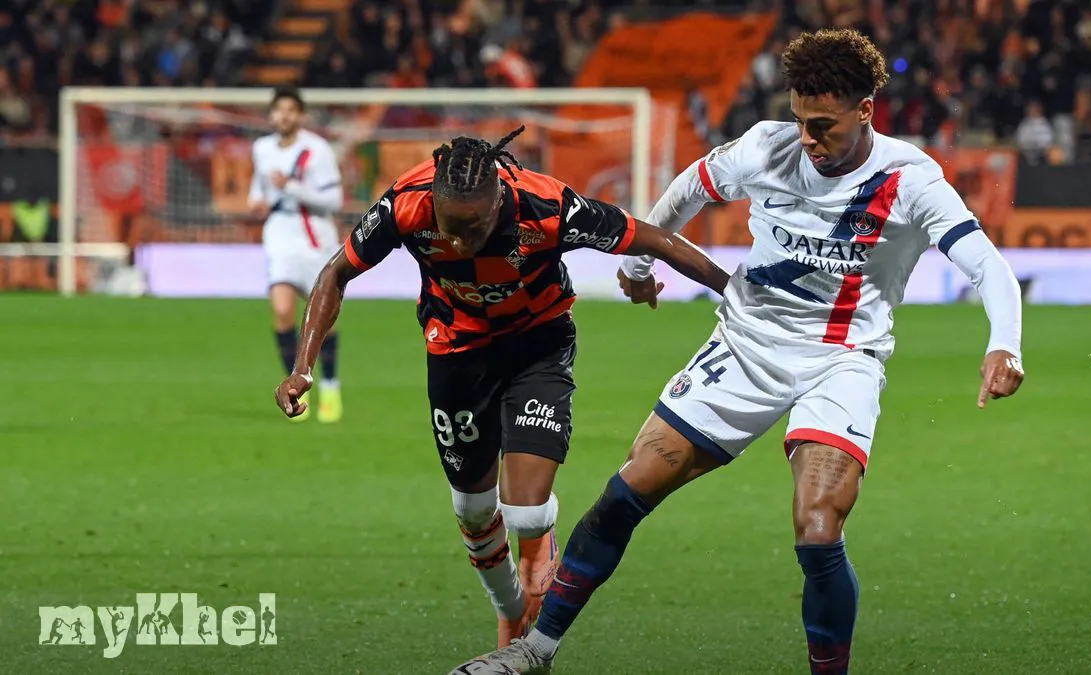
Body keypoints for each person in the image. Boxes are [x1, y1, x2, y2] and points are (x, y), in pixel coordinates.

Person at [453, 28, 1025, 675]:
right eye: (800, 120)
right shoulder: (766, 148)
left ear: (866, 111)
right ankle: (536, 651)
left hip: (841, 360)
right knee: (625, 493)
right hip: (745, 346)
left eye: (824, 125)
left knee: (817, 524)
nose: (808, 139)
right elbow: (692, 186)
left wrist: (1004, 343)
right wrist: (642, 264)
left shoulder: (912, 179)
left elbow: (986, 264)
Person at [273, 127, 729, 649]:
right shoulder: (406, 204)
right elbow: (336, 274)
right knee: (471, 511)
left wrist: (731, 290)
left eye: (477, 225)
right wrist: (303, 367)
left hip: (537, 344)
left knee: (527, 511)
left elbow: (655, 237)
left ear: (498, 200)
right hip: (457, 351)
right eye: (453, 226)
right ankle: (509, 610)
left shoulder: (548, 205)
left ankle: (532, 568)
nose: (463, 240)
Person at [250, 86, 345, 423]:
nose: (284, 116)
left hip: (314, 235)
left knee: (322, 319)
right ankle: (292, 390)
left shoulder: (316, 150)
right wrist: (257, 201)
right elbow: (258, 190)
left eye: (291, 110)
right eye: (278, 110)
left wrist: (291, 187)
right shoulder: (261, 149)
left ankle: (330, 385)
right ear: (271, 115)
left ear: (301, 115)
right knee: (281, 310)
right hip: (280, 233)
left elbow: (334, 201)